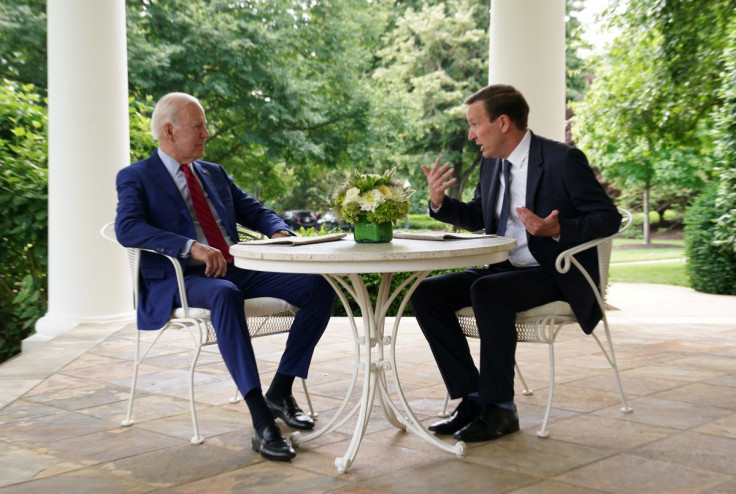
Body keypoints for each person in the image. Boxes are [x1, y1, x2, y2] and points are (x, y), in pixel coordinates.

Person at [115, 92, 336, 462]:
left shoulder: (212, 172)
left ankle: (280, 390)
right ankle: (261, 418)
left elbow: (253, 209)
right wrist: (190, 246)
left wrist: (278, 230)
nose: (206, 133)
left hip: (236, 266)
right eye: (198, 126)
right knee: (224, 294)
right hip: (183, 278)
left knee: (319, 284)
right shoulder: (137, 176)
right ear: (169, 131)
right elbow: (128, 228)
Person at [411, 84, 621, 443]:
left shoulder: (562, 159)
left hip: (554, 271)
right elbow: (479, 215)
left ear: (503, 122)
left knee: (487, 291)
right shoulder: (492, 165)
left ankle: (501, 408)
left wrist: (559, 228)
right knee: (426, 292)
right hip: (503, 270)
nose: (471, 134)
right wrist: (439, 202)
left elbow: (607, 218)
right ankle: (472, 398)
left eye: (476, 124)